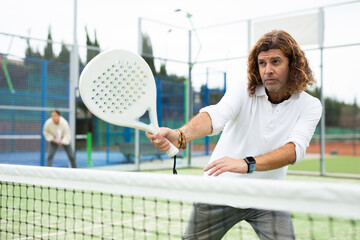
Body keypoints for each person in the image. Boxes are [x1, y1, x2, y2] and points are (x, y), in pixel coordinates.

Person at [146, 30, 322, 240]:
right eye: (262, 63)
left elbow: (294, 150)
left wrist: (247, 164)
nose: (268, 70)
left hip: (268, 197)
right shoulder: (243, 89)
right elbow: (217, 115)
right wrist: (180, 135)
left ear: (293, 65)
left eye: (276, 62)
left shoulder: (310, 105)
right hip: (218, 191)